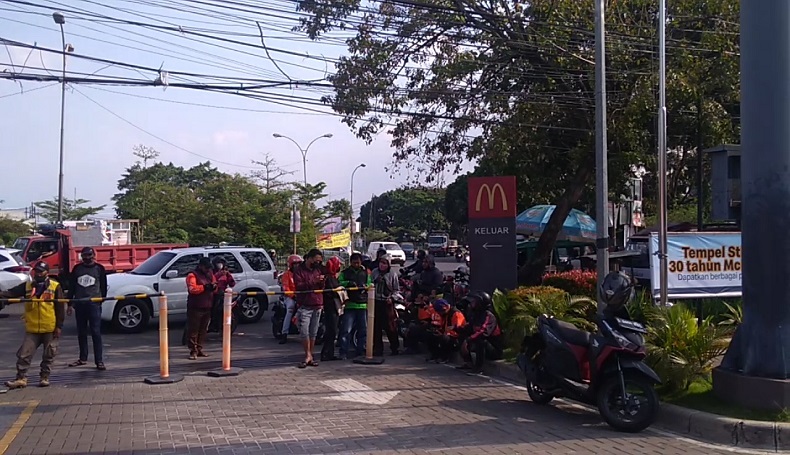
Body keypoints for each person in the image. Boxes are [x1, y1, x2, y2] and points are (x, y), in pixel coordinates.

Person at [1, 261, 65, 389]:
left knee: (49, 354)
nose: (38, 274)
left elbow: (60, 308)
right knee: (24, 354)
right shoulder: (27, 286)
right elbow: (10, 294)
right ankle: (21, 378)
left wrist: (59, 326)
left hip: (49, 327)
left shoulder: (55, 286)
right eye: (36, 271)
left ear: (47, 272)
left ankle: (44, 377)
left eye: (41, 271)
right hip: (33, 328)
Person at [66, 247, 108, 371]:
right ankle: (83, 358)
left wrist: (101, 300)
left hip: (93, 304)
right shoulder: (77, 269)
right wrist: (69, 304)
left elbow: (104, 287)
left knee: (96, 333)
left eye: (89, 255)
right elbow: (72, 287)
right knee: (81, 332)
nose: (87, 257)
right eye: (84, 255)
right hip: (80, 304)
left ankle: (99, 361)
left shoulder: (99, 269)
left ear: (93, 255)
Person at [292, 249, 325, 368]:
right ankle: (307, 354)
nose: (317, 263)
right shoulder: (298, 270)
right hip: (305, 304)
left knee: (313, 332)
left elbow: (322, 285)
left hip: (317, 303)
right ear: (308, 258)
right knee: (304, 331)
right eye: (316, 261)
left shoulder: (318, 269)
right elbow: (299, 286)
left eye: (319, 261)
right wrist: (313, 281)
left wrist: (321, 281)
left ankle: (310, 356)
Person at [458, 292, 503, 374]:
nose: (472, 303)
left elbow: (483, 332)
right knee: (460, 337)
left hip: (493, 349)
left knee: (481, 342)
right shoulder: (476, 315)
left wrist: (468, 340)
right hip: (479, 344)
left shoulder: (489, 316)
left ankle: (478, 368)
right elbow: (468, 328)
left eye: (475, 302)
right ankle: (468, 363)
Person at [338, 253, 371, 359]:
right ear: (350, 262)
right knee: (346, 330)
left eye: (358, 262)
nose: (356, 264)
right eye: (354, 262)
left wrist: (366, 286)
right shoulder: (345, 273)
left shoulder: (366, 273)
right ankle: (343, 352)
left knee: (363, 330)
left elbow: (371, 284)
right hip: (350, 305)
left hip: (362, 305)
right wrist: (348, 283)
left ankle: (360, 351)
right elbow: (339, 283)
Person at [186, 257, 217, 360]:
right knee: (193, 330)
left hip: (207, 306)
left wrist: (214, 287)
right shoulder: (192, 275)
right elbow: (192, 289)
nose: (208, 269)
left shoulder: (210, 273)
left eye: (209, 268)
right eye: (206, 267)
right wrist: (204, 287)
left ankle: (199, 349)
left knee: (203, 330)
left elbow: (214, 284)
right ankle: (193, 351)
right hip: (195, 306)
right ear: (200, 266)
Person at [371, 254, 400, 356]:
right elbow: (369, 285)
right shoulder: (374, 272)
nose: (382, 265)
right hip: (376, 301)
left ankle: (394, 348)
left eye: (385, 263)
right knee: (376, 327)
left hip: (387, 303)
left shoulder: (393, 274)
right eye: (381, 262)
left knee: (390, 327)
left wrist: (391, 298)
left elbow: (397, 290)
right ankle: (378, 349)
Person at [425, 299, 466, 363]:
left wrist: (445, 333)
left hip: (457, 338)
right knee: (430, 335)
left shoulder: (456, 314)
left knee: (444, 338)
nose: (440, 313)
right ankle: (435, 355)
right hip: (447, 334)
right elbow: (443, 326)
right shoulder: (445, 314)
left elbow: (458, 329)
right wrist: (439, 331)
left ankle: (445, 358)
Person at [320, 256, 343, 361]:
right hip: (331, 307)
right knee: (331, 331)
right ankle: (326, 353)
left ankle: (329, 353)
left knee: (332, 331)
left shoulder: (331, 277)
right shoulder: (329, 278)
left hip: (333, 307)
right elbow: (331, 292)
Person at [278, 254, 303, 344]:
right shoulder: (286, 275)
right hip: (290, 297)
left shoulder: (302, 274)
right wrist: (293, 296)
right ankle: (284, 333)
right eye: (295, 264)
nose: (297, 266)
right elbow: (286, 288)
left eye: (298, 264)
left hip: (301, 296)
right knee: (290, 309)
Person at [208, 256, 236, 333]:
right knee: (211, 310)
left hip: (223, 296)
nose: (220, 265)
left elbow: (232, 284)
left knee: (220, 310)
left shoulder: (226, 273)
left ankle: (219, 326)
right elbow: (210, 281)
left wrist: (228, 276)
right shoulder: (211, 272)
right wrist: (218, 275)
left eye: (221, 263)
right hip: (212, 295)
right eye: (218, 263)